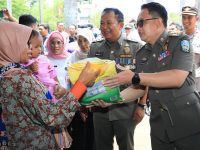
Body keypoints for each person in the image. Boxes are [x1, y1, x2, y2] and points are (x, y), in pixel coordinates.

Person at [103, 2, 200, 150]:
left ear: (158, 21)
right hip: (159, 127)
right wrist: (111, 100)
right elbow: (140, 88)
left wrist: (135, 77)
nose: (138, 27)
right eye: (137, 24)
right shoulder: (142, 53)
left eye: (142, 22)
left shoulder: (180, 42)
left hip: (186, 122)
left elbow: (177, 77)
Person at [0, 21, 99, 149]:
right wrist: (81, 84)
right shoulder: (19, 78)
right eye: (25, 43)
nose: (29, 49)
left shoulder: (7, 74)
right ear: (10, 45)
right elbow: (55, 117)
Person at [88, 8, 143, 150]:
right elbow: (88, 79)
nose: (104, 27)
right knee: (101, 147)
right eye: (101, 23)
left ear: (120, 25)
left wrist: (141, 106)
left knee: (126, 146)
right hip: (99, 110)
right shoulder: (94, 48)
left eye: (108, 23)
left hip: (125, 110)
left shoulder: (135, 47)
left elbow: (144, 81)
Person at [66, 28, 95, 150]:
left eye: (86, 40)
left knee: (93, 138)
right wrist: (80, 105)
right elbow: (70, 82)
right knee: (79, 138)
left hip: (96, 103)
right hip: (78, 103)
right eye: (80, 41)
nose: (83, 44)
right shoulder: (73, 57)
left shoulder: (96, 55)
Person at [181, 6, 200, 94]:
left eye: (189, 17)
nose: (185, 21)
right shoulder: (176, 38)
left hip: (197, 85)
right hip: (181, 86)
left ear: (197, 18)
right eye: (183, 17)